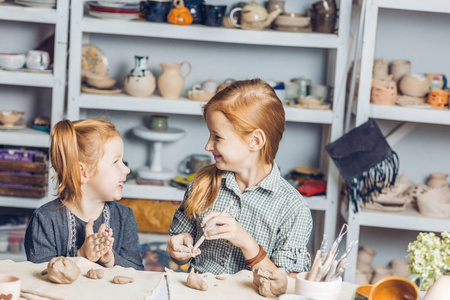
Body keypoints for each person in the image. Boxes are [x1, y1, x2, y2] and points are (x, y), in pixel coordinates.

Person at [167, 79, 312, 277]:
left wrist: (246, 243)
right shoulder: (202, 183)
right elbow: (180, 249)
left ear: (255, 141)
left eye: (217, 137)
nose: (208, 146)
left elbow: (289, 284)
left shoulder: (293, 208)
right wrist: (179, 248)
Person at [25, 118, 144, 270]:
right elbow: (39, 276)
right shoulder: (45, 220)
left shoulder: (124, 217)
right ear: (82, 172)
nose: (126, 169)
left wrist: (110, 259)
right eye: (116, 162)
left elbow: (138, 271)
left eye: (123, 161)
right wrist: (81, 256)